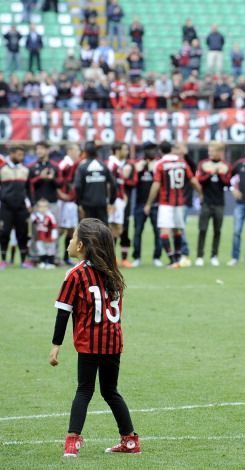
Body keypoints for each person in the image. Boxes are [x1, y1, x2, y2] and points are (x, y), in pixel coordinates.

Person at [49, 218, 141, 458]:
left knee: (84, 390)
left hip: (90, 343)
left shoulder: (76, 274)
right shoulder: (114, 272)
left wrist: (56, 345)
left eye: (72, 237)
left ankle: (72, 441)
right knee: (111, 391)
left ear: (81, 246)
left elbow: (63, 312)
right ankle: (130, 440)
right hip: (113, 342)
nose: (69, 240)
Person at [144, 141, 201, 268]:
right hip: (180, 203)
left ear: (161, 151)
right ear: (170, 149)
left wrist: (149, 203)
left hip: (166, 203)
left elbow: (156, 185)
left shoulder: (160, 164)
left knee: (164, 232)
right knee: (177, 230)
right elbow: (193, 181)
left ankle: (173, 259)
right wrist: (201, 194)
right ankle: (177, 258)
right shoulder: (182, 163)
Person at [195, 141, 231, 266]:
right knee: (202, 229)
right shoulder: (203, 164)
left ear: (219, 152)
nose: (210, 152)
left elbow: (227, 183)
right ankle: (199, 256)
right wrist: (210, 173)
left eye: (213, 150)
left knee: (217, 230)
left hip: (219, 203)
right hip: (206, 202)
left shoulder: (225, 165)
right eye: (209, 150)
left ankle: (214, 256)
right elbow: (199, 180)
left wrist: (219, 173)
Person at [0, 144, 33, 269]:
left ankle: (24, 261)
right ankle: (3, 260)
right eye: (19, 154)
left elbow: (29, 190)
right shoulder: (2, 169)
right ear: (12, 154)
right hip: (6, 207)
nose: (21, 157)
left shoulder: (25, 170)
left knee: (23, 233)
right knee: (4, 233)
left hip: (21, 208)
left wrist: (32, 204)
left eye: (22, 155)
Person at [132, 142, 162, 267]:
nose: (152, 152)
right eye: (149, 149)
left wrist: (154, 168)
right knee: (138, 231)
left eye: (154, 149)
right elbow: (132, 183)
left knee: (157, 231)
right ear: (144, 151)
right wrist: (137, 171)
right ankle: (137, 257)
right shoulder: (139, 165)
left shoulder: (159, 165)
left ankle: (157, 257)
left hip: (156, 204)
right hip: (140, 203)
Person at [107, 142, 136, 267]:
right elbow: (108, 184)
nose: (127, 152)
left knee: (117, 228)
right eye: (125, 149)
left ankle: (111, 258)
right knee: (114, 228)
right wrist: (111, 201)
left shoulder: (118, 164)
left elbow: (118, 183)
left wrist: (122, 193)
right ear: (117, 150)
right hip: (114, 201)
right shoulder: (111, 164)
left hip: (118, 199)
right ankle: (108, 258)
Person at [74, 141, 116, 225]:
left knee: (87, 232)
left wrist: (79, 203)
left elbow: (77, 186)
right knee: (103, 232)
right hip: (102, 204)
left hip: (87, 205)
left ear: (85, 152)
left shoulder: (82, 167)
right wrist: (111, 201)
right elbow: (114, 184)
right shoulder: (103, 166)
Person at [58, 143, 82, 266]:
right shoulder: (64, 164)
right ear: (70, 150)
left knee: (70, 230)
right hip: (64, 202)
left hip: (71, 202)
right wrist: (61, 195)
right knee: (60, 229)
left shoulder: (73, 164)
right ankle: (51, 255)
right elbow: (57, 182)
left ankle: (65, 257)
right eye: (77, 150)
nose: (79, 153)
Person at [31, 198, 58, 268]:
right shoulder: (37, 216)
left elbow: (54, 226)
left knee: (50, 250)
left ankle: (50, 263)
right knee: (41, 250)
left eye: (44, 206)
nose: (42, 208)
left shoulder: (50, 216)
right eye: (40, 207)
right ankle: (42, 262)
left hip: (49, 237)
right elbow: (33, 222)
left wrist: (54, 235)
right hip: (40, 237)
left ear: (47, 207)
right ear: (38, 208)